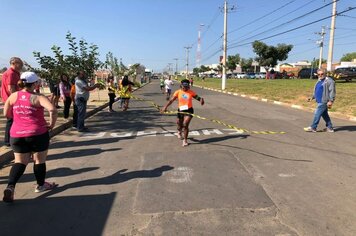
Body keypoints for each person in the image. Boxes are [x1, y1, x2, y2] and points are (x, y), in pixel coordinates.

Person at [3, 72, 58, 203]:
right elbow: (53, 110)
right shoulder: (38, 97)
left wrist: (18, 118)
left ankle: (10, 187)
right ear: (34, 84)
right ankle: (40, 185)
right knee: (39, 160)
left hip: (16, 135)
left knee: (20, 162)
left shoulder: (14, 95)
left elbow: (6, 113)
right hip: (37, 134)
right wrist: (51, 124)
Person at [162, 79, 205, 147]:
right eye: (183, 86)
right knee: (179, 124)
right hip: (180, 111)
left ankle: (185, 140)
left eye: (186, 86)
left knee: (185, 125)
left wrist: (201, 100)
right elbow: (171, 100)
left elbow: (198, 98)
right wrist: (165, 107)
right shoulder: (178, 92)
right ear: (181, 86)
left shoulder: (191, 92)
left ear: (188, 86)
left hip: (189, 111)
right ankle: (179, 131)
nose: (185, 88)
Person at [304, 68, 336, 133]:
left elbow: (332, 92)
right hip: (319, 100)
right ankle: (330, 128)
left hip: (324, 101)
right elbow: (317, 90)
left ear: (325, 74)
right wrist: (312, 97)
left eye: (322, 74)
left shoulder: (330, 81)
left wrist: (331, 101)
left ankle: (313, 127)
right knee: (324, 115)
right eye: (318, 74)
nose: (320, 75)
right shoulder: (319, 80)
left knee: (317, 113)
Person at [1, 57, 23, 147]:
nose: (21, 66)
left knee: (13, 120)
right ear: (14, 63)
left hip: (9, 100)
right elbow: (11, 88)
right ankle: (8, 141)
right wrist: (16, 100)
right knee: (11, 120)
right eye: (20, 64)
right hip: (11, 100)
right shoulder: (11, 73)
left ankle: (11, 140)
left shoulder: (14, 73)